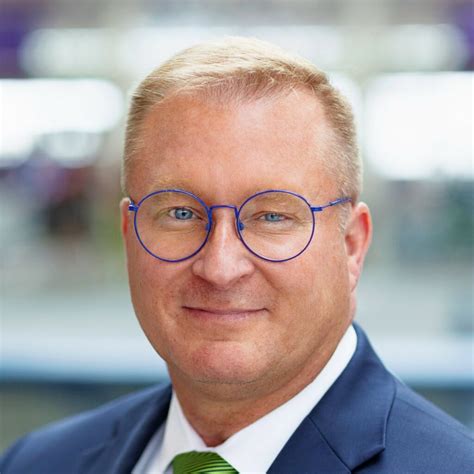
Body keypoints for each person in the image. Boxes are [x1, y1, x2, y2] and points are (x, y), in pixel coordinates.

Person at [1, 37, 472, 474]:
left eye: (272, 217)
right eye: (180, 213)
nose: (220, 267)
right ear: (129, 235)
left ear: (351, 246)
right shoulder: (37, 463)